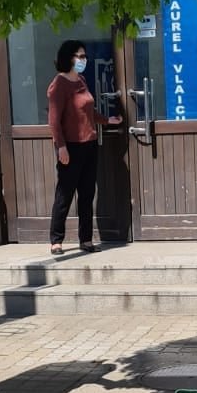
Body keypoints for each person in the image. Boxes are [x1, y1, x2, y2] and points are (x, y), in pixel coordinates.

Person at [47, 40, 121, 255]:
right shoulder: (58, 84)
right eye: (80, 56)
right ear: (69, 58)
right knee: (65, 193)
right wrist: (61, 147)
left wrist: (108, 121)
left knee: (87, 193)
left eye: (84, 56)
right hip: (70, 146)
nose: (83, 60)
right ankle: (56, 239)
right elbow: (54, 120)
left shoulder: (81, 80)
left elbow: (89, 111)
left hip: (89, 144)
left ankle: (86, 239)